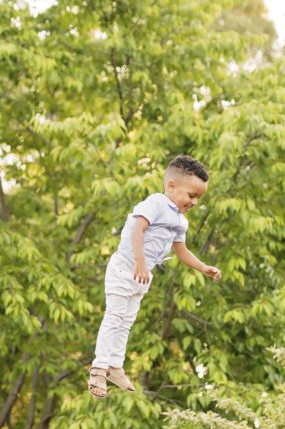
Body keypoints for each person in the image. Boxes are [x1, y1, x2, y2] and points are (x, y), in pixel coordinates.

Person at [88, 155, 221, 399]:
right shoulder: (156, 203)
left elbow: (181, 251)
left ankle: (114, 366)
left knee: (127, 321)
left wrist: (203, 267)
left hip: (142, 276)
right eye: (191, 195)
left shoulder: (180, 221)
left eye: (198, 199)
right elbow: (138, 228)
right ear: (171, 186)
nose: (194, 202)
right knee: (115, 317)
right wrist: (139, 260)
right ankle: (98, 369)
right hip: (125, 267)